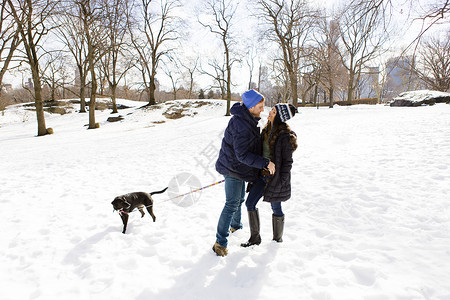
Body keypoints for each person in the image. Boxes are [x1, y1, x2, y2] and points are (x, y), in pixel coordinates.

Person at [213, 89, 276, 257]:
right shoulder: (241, 124)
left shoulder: (247, 120)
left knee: (239, 199)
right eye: (260, 106)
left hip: (238, 168)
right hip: (233, 168)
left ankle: (236, 226)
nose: (262, 109)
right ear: (250, 106)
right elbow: (242, 155)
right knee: (232, 203)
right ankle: (220, 243)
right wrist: (265, 162)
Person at [241, 103, 298, 247]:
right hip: (262, 175)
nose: (270, 112)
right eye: (271, 110)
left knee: (276, 208)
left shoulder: (285, 136)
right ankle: (255, 238)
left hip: (275, 178)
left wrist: (281, 180)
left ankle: (277, 240)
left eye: (273, 111)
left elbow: (287, 163)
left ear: (279, 116)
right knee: (250, 203)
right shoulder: (266, 130)